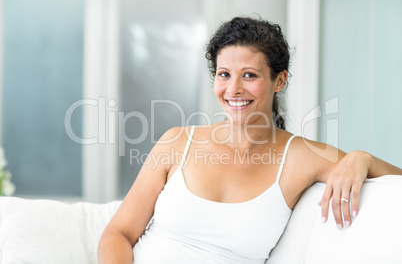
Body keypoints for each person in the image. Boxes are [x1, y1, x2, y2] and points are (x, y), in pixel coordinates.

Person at [98, 16, 402, 263]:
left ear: (279, 80)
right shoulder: (177, 142)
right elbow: (119, 234)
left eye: (249, 75)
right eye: (224, 74)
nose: (233, 89)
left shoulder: (300, 157)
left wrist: (361, 158)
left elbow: (396, 181)